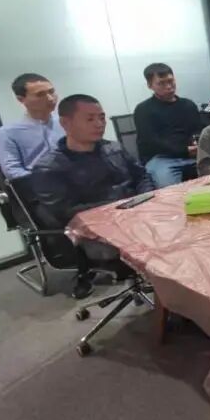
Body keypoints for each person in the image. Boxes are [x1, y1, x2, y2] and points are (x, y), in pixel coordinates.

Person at [31, 94, 155, 299]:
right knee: (167, 243)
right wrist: (123, 207)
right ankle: (172, 302)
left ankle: (178, 298)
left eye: (102, 117)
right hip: (95, 233)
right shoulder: (49, 167)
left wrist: (146, 199)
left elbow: (141, 176)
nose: (99, 124)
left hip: (135, 216)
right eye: (90, 119)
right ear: (65, 123)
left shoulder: (113, 148)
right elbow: (67, 212)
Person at [133, 63, 201, 188]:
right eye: (161, 83)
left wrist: (198, 144)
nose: (169, 86)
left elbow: (199, 128)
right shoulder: (143, 109)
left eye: (171, 81)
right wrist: (185, 150)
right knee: (169, 190)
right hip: (162, 159)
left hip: (193, 155)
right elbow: (151, 141)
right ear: (150, 85)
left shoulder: (188, 105)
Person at [0, 72, 64, 179]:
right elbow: (12, 170)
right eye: (40, 94)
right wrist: (45, 180)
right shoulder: (8, 133)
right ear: (21, 99)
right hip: (37, 182)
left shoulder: (67, 122)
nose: (50, 98)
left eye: (51, 92)